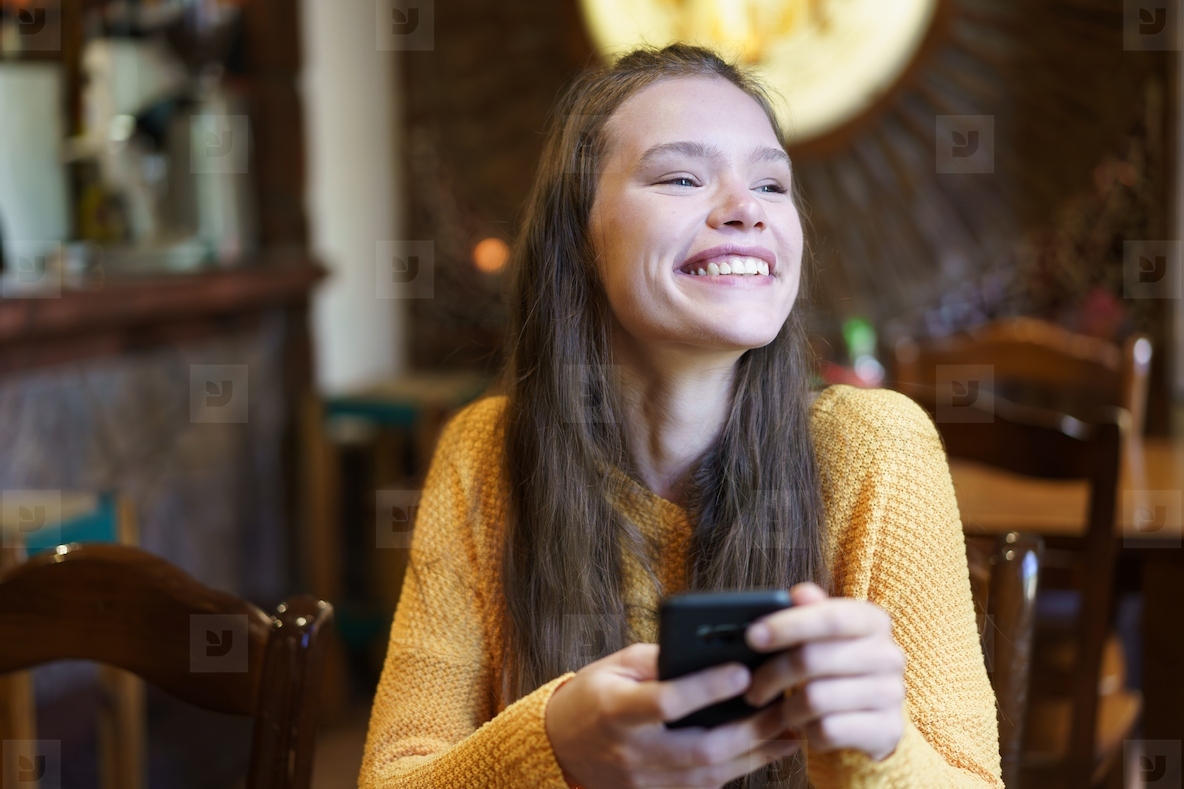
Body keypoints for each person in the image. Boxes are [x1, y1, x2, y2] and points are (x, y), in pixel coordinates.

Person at [359, 44, 1003, 789]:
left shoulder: (878, 447)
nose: (747, 210)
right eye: (681, 177)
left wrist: (877, 749)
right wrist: (556, 746)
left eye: (771, 183)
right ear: (579, 238)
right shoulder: (485, 454)